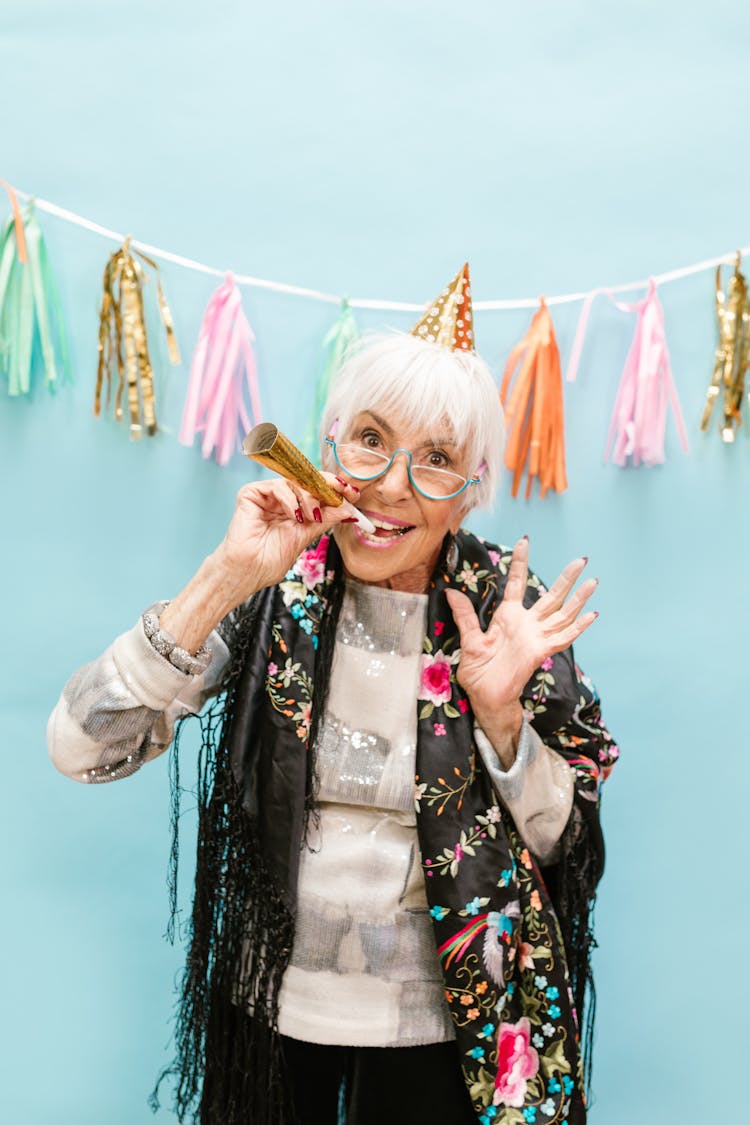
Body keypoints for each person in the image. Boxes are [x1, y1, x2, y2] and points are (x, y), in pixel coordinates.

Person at [48, 266, 619, 1125]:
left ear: (473, 486)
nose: (392, 484)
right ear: (330, 447)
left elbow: (569, 846)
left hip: (455, 1022)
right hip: (271, 1005)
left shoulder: (504, 614)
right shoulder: (275, 589)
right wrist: (224, 580)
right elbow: (79, 748)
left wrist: (503, 722)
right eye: (370, 440)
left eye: (435, 459)